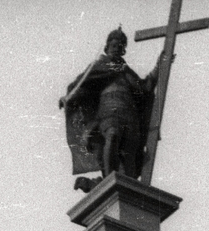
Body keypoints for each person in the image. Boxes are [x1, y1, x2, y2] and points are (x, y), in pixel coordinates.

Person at [60, 28, 159, 186]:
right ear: (107, 47)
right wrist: (69, 97)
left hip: (129, 115)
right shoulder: (99, 66)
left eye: (120, 46)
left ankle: (126, 184)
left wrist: (159, 65)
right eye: (113, 45)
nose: (116, 48)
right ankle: (108, 179)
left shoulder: (125, 71)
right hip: (108, 112)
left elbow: (144, 87)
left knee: (129, 155)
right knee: (112, 135)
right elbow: (83, 85)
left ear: (123, 50)